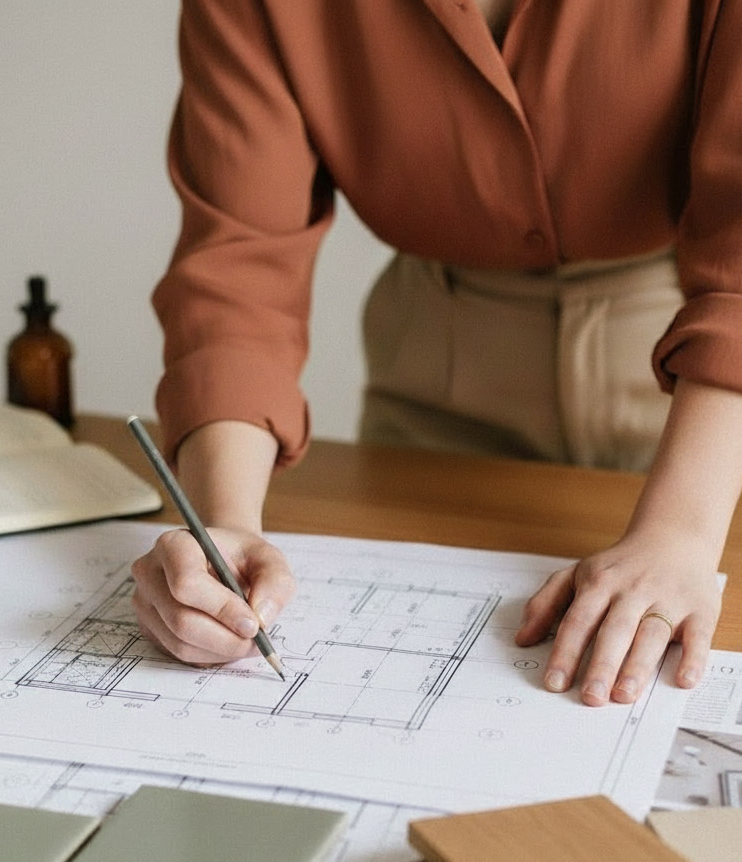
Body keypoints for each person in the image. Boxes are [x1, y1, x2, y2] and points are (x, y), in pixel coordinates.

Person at [132, 0, 742, 707]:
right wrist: (225, 525)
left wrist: (679, 532)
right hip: (437, 380)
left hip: (709, 407)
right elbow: (238, 264)